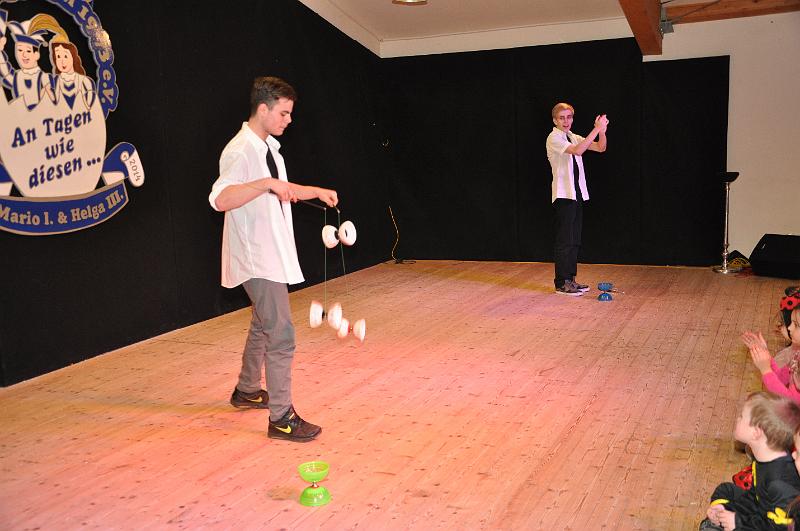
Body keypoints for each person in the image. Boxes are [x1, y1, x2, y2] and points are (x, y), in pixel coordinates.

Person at [208, 76, 338, 442]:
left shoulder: (269, 149)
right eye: (283, 113)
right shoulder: (240, 150)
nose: (289, 120)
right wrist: (265, 184)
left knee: (263, 323)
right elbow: (220, 199)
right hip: (256, 257)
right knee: (281, 333)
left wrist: (315, 191)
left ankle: (247, 390)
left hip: (270, 253)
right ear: (263, 109)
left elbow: (279, 189)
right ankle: (281, 418)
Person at [700, 391, 800, 530]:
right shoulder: (764, 459)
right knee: (725, 490)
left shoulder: (780, 483)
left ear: (756, 432)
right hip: (762, 511)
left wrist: (739, 523)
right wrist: (724, 510)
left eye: (741, 416)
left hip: (771, 523)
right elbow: (757, 497)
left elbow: (782, 527)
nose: (737, 419)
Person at [545, 103, 608, 296]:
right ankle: (561, 283)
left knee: (574, 240)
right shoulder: (554, 137)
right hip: (564, 195)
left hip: (577, 193)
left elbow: (600, 147)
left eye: (569, 117)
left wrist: (602, 131)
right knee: (564, 240)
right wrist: (596, 128)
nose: (566, 121)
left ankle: (571, 279)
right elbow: (579, 151)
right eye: (562, 118)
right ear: (555, 120)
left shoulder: (573, 136)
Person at [743, 289, 800, 404]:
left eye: (796, 325)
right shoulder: (797, 355)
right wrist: (767, 357)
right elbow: (781, 379)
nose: (789, 327)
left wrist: (765, 370)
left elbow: (791, 403)